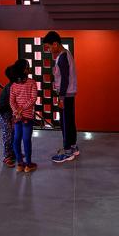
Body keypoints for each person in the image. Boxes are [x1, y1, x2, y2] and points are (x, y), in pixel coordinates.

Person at [43, 31, 79, 163]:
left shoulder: (63, 57)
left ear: (55, 44)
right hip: (69, 93)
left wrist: (61, 98)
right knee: (69, 120)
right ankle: (73, 147)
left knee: (65, 123)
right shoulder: (66, 53)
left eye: (48, 47)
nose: (48, 50)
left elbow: (64, 79)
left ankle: (68, 152)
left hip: (66, 94)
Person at [9, 59, 38, 173]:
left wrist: (16, 111)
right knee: (26, 140)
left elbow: (11, 101)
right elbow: (33, 99)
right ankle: (28, 165)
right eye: (27, 67)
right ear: (24, 70)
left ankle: (20, 164)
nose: (29, 69)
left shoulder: (14, 85)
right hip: (27, 116)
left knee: (16, 139)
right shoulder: (32, 83)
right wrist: (22, 109)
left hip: (17, 117)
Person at [0, 66, 17, 168]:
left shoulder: (14, 85)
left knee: (13, 132)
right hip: (3, 113)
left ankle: (13, 152)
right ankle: (7, 156)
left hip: (9, 112)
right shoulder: (10, 87)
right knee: (7, 133)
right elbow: (11, 103)